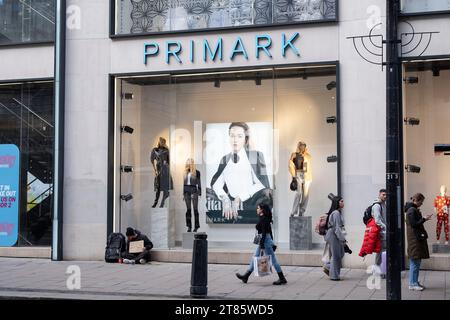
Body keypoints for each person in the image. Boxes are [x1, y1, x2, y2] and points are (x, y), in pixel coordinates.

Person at [209, 122, 272, 223]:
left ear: (245, 139)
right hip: (230, 202)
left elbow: (261, 184)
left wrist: (239, 198)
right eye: (232, 136)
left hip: (251, 202)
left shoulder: (256, 156)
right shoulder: (225, 159)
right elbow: (216, 184)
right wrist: (225, 199)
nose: (235, 140)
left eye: (239, 136)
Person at [235, 203, 287, 285]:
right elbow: (269, 231)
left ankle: (282, 278)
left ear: (262, 210)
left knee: (273, 260)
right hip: (265, 240)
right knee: (255, 257)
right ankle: (246, 276)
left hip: (265, 241)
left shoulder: (263, 219)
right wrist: (270, 242)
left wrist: (264, 244)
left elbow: (264, 233)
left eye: (258, 208)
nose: (257, 209)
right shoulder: (264, 218)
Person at [405, 193, 432, 291]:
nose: (422, 204)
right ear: (417, 200)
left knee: (416, 262)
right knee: (415, 263)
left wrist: (423, 218)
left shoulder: (412, 209)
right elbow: (414, 224)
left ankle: (414, 281)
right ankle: (412, 283)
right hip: (414, 240)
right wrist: (424, 219)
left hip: (415, 239)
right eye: (421, 202)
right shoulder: (412, 210)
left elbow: (415, 223)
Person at [323, 195, 347, 281]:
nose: (343, 203)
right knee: (336, 255)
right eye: (341, 201)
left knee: (340, 253)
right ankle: (334, 276)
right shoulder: (336, 213)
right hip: (334, 235)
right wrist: (342, 239)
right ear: (337, 202)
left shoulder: (336, 212)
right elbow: (337, 228)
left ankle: (328, 266)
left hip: (333, 235)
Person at [289, 141, 312, 217]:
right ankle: (293, 211)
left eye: (304, 146)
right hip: (298, 174)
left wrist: (305, 154)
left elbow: (308, 163)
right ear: (298, 146)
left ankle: (302, 211)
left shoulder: (307, 155)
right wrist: (293, 176)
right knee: (298, 193)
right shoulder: (294, 154)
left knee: (306, 194)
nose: (303, 147)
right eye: (301, 145)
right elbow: (290, 165)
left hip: (307, 175)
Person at [150, 137, 173, 208]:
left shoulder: (166, 150)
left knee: (165, 187)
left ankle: (162, 203)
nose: (163, 143)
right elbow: (152, 160)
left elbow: (169, 161)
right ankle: (155, 202)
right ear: (159, 142)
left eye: (164, 142)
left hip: (165, 169)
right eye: (161, 142)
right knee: (158, 187)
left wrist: (167, 165)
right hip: (159, 169)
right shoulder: (155, 150)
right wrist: (155, 170)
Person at [183, 158, 202, 232]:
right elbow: (183, 184)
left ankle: (196, 226)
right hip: (186, 191)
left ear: (192, 163)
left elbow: (199, 183)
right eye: (187, 162)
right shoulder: (185, 172)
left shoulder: (197, 172)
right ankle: (189, 226)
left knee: (195, 210)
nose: (188, 164)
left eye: (190, 162)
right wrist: (183, 193)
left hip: (194, 191)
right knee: (188, 210)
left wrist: (199, 193)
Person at [372, 189, 387, 277]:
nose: (385, 196)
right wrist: (386, 227)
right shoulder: (377, 205)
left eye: (386, 195)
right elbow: (377, 220)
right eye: (383, 194)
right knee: (381, 252)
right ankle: (378, 271)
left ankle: (380, 271)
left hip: (383, 232)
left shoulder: (383, 204)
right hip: (381, 233)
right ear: (379, 194)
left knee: (381, 252)